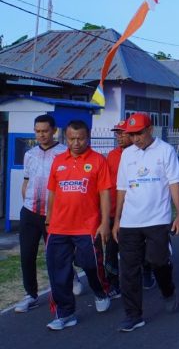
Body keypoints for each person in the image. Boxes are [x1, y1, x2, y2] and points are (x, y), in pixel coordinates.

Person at [113, 113, 179, 332]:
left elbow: (174, 184)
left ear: (150, 129)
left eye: (139, 133)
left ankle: (168, 290)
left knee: (158, 262)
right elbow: (122, 189)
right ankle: (133, 315)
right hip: (130, 222)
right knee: (128, 269)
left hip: (157, 219)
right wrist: (117, 220)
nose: (136, 139)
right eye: (131, 134)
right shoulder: (127, 155)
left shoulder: (166, 151)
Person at [44, 120, 112, 330]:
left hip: (87, 227)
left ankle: (100, 291)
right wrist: (48, 218)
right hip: (59, 227)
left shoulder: (98, 161)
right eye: (72, 138)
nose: (76, 143)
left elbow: (104, 193)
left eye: (80, 138)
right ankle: (65, 314)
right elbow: (53, 192)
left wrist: (105, 223)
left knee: (90, 264)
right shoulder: (58, 161)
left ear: (88, 136)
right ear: (65, 137)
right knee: (58, 271)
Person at [14, 114, 68, 313]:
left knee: (56, 256)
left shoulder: (64, 153)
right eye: (37, 131)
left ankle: (64, 288)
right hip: (29, 212)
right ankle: (31, 295)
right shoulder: (30, 154)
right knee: (27, 255)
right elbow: (26, 181)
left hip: (54, 213)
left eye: (45, 131)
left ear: (54, 131)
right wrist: (26, 202)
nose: (41, 135)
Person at [104, 120, 132, 299]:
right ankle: (112, 283)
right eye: (117, 133)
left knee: (134, 249)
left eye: (122, 132)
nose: (119, 136)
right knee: (111, 250)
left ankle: (144, 271)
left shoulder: (138, 153)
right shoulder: (111, 155)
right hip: (114, 210)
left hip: (134, 211)